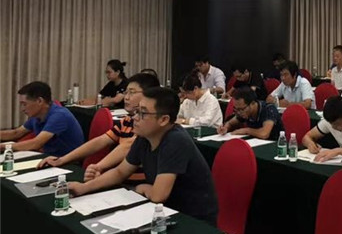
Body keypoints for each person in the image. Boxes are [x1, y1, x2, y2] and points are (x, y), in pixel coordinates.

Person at [68, 87, 218, 224]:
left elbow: (158, 195)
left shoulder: (176, 140)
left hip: (193, 218)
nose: (135, 117)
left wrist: (142, 187)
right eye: (137, 111)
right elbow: (120, 172)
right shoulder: (144, 137)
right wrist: (83, 188)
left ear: (164, 120)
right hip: (163, 211)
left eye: (143, 113)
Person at [37, 73, 160, 180]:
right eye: (125, 92)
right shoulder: (127, 120)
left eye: (132, 93)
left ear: (150, 95)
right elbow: (100, 141)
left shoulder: (151, 124)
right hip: (121, 179)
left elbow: (127, 146)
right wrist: (62, 159)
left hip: (139, 184)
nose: (126, 97)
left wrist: (98, 167)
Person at [0, 82, 84, 156]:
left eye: (24, 104)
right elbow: (16, 133)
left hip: (67, 162)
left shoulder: (59, 116)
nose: (22, 109)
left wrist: (4, 147)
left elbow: (36, 143)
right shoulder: (37, 115)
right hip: (49, 157)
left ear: (39, 101)